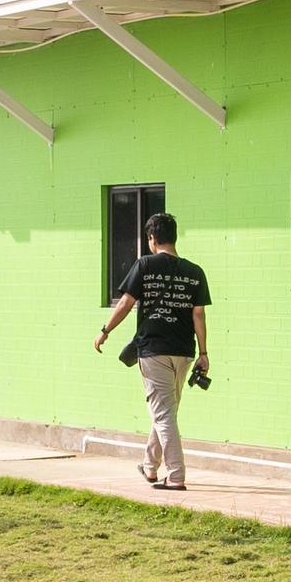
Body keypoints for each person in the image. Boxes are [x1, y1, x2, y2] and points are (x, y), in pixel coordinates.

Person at [92, 210, 213, 490]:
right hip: (184, 352)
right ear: (174, 237)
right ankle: (149, 466)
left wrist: (105, 330)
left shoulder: (144, 265)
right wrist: (204, 353)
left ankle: (176, 475)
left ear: (151, 238)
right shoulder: (195, 272)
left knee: (163, 414)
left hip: (154, 350)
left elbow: (126, 303)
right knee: (166, 410)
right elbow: (198, 315)